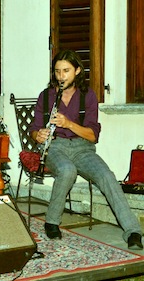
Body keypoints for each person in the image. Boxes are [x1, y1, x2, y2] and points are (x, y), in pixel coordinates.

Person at [30, 49, 143, 250]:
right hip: (54, 147)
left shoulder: (88, 95)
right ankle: (52, 221)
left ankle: (133, 231)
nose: (61, 76)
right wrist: (38, 135)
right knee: (66, 170)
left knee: (107, 176)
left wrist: (69, 123)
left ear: (78, 71)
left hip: (83, 148)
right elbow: (33, 129)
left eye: (66, 71)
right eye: (57, 71)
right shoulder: (46, 96)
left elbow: (93, 135)